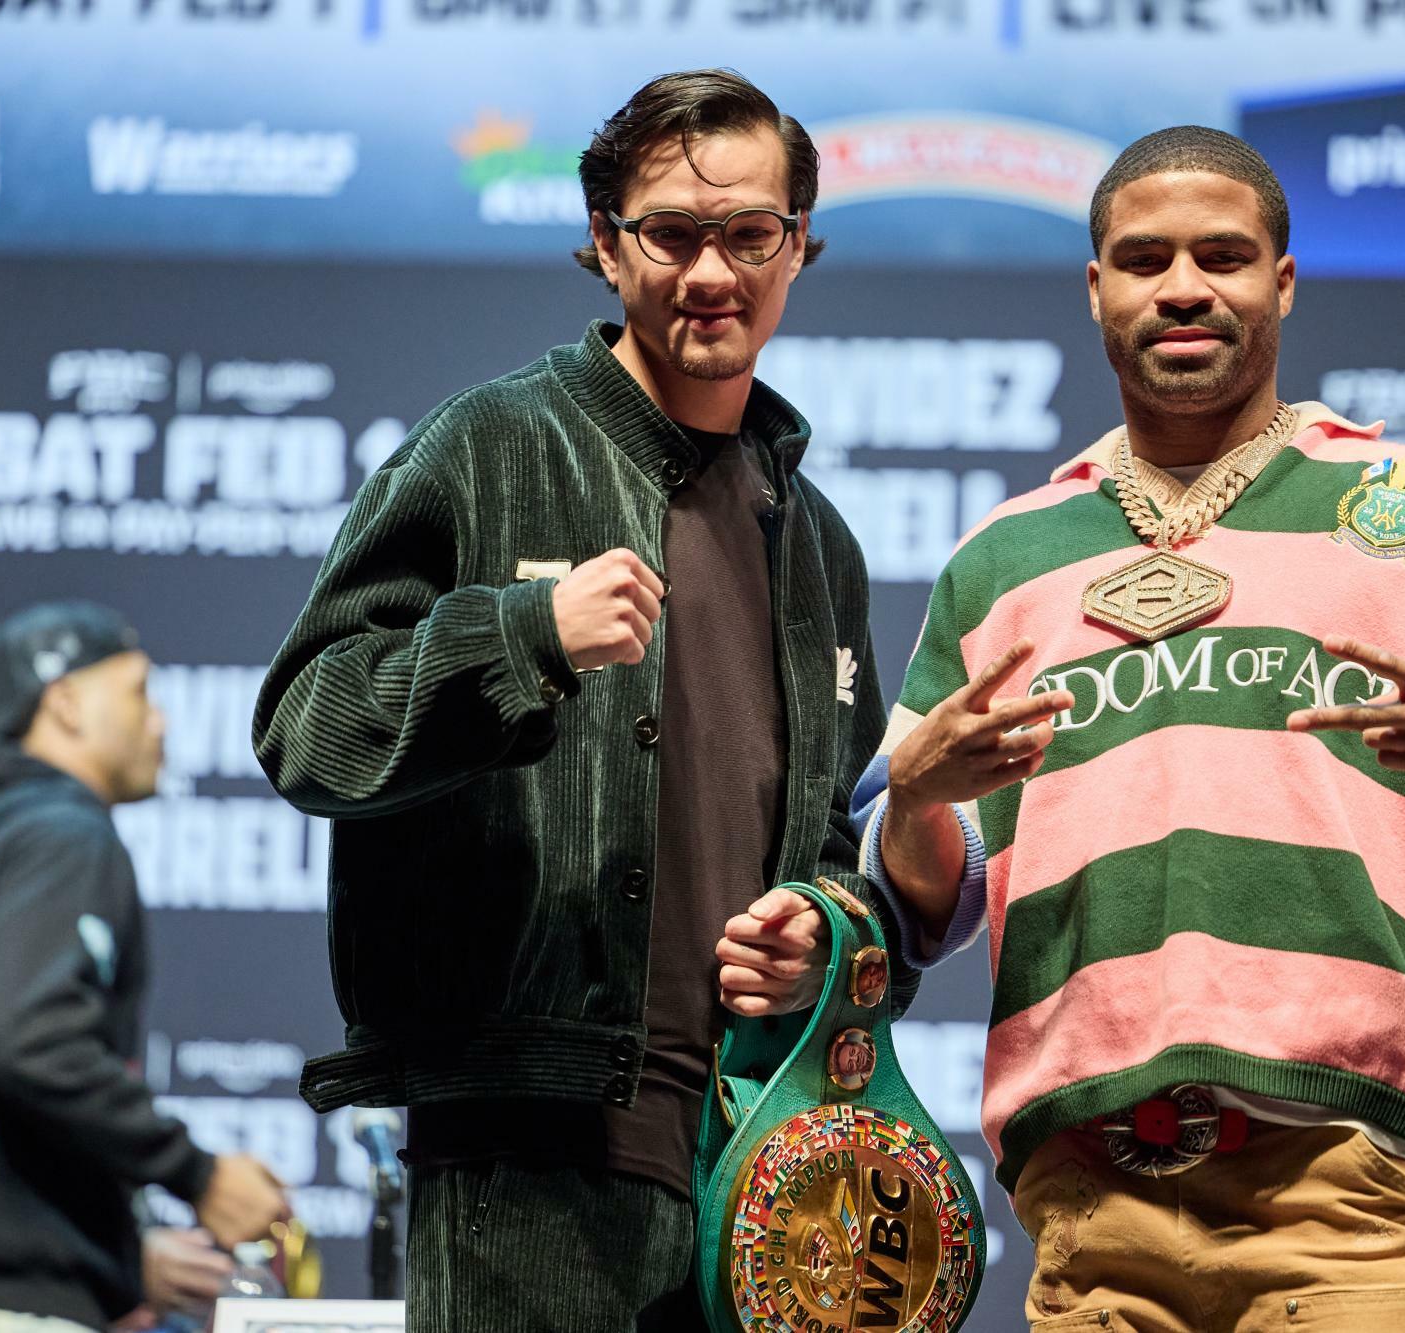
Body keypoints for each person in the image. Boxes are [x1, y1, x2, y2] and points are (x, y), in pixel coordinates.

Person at [858, 127, 1405, 1331]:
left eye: (1221, 255)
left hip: (1355, 1183)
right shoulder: (1001, 557)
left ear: (1281, 278)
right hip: (1088, 1203)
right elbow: (928, 899)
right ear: (1095, 288)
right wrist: (911, 801)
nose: (1180, 286)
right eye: (1142, 258)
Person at [252, 69, 952, 1333]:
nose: (710, 272)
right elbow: (309, 728)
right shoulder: (490, 445)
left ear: (799, 248)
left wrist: (822, 928)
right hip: (526, 1165)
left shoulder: (819, 543)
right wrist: (518, 634)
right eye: (670, 234)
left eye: (750, 235)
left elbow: (842, 853)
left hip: (761, 1169)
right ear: (601, 242)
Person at [0, 602, 289, 1333]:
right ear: (63, 703)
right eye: (139, 691)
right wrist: (198, 1173)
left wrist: (115, 1257)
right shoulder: (65, 835)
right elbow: (31, 1040)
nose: (159, 721)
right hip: (15, 1312)